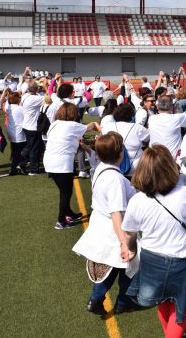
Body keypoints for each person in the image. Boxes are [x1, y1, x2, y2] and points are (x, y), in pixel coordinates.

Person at [122, 145, 186, 337]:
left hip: (151, 259)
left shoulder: (137, 201)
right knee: (181, 310)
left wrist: (129, 249)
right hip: (181, 260)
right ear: (170, 168)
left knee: (161, 300)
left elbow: (129, 234)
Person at [73, 132, 138, 316]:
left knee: (114, 266)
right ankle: (117, 300)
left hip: (101, 223)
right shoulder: (116, 179)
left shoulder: (100, 168)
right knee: (124, 266)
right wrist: (124, 242)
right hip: (114, 228)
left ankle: (100, 298)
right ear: (120, 154)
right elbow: (116, 212)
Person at [43, 103, 100, 229]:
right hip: (61, 164)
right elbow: (89, 127)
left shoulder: (55, 123)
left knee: (65, 190)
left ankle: (69, 212)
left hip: (49, 161)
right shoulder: (72, 125)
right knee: (66, 192)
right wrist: (96, 124)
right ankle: (61, 220)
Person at [101, 103, 150, 176]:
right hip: (135, 166)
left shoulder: (108, 127)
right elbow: (148, 138)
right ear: (131, 115)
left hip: (113, 165)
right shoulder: (137, 127)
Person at [20, 82, 45, 176]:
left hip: (26, 125)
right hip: (33, 127)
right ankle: (33, 169)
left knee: (30, 146)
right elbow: (50, 98)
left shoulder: (26, 95)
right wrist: (46, 86)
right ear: (36, 89)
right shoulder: (35, 98)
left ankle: (21, 161)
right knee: (34, 148)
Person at [4, 91, 28, 176]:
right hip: (19, 131)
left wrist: (8, 93)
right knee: (24, 148)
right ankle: (19, 165)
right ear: (17, 99)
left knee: (15, 150)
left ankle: (14, 167)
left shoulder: (8, 107)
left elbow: (7, 101)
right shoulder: (20, 108)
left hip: (11, 131)